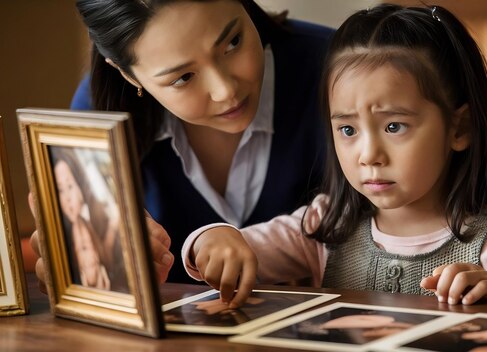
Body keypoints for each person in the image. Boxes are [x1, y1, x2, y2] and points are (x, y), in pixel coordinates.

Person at [182, 3, 487, 310]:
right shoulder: (327, 224)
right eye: (348, 130)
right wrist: (212, 238)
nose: (369, 155)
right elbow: (241, 248)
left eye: (394, 127)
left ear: (460, 129)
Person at [30, 0, 334, 285]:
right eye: (183, 78)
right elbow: (82, 260)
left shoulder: (339, 67)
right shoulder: (98, 113)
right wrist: (75, 260)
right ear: (128, 75)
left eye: (232, 42)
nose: (224, 90)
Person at [51, 147, 128, 292]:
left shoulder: (99, 214)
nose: (67, 198)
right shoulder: (61, 228)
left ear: (80, 187)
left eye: (70, 186)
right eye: (60, 190)